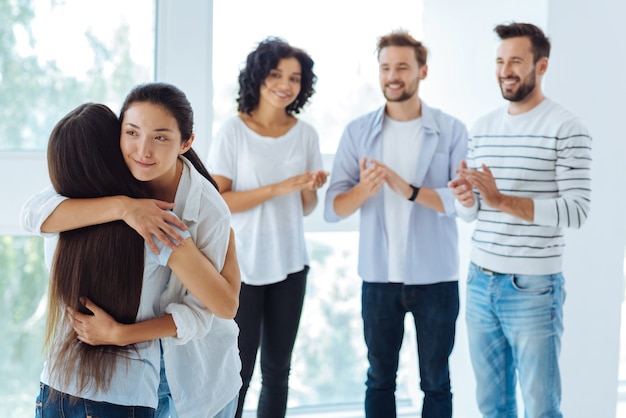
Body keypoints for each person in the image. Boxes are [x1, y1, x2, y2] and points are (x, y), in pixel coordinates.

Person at [22, 83, 242, 418]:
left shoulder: (198, 213)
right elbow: (33, 215)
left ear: (186, 143)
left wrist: (121, 335)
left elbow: (219, 307)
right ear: (117, 136)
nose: (143, 150)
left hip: (193, 365)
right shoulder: (103, 182)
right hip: (122, 374)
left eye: (160, 137)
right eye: (132, 133)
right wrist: (124, 208)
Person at [448, 22, 592, 418]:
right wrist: (466, 198)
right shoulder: (483, 127)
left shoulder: (567, 127)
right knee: (492, 406)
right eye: (499, 60)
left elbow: (577, 210)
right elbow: (474, 212)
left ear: (540, 66)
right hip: (480, 281)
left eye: (515, 61)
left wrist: (502, 199)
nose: (504, 70)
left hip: (532, 288)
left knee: (541, 408)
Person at [324, 30, 468, 418]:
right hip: (379, 279)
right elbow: (333, 207)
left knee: (437, 382)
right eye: (385, 67)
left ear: (423, 71)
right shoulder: (357, 132)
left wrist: (408, 189)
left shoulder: (451, 129)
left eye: (402, 67)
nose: (392, 75)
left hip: (436, 278)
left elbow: (462, 203)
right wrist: (364, 190)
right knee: (379, 378)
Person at [207, 37, 327, 418]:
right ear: (258, 78)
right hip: (241, 268)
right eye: (277, 74)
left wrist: (309, 188)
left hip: (290, 264)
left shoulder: (305, 134)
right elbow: (219, 200)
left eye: (294, 78)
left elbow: (305, 209)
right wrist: (279, 187)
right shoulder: (233, 131)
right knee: (237, 373)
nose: (285, 84)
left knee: (278, 372)